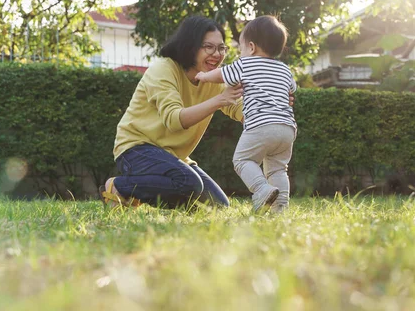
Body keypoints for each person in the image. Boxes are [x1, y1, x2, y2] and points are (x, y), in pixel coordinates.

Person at [99, 15, 244, 209]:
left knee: (218, 205)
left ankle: (152, 194)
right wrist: (219, 100)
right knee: (189, 184)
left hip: (174, 158)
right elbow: (174, 119)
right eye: (208, 47)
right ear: (190, 46)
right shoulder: (164, 69)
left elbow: (239, 108)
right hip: (136, 149)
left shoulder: (214, 79)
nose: (217, 54)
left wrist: (274, 106)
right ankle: (119, 186)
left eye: (221, 48)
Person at [196, 15, 296, 213]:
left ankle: (261, 189)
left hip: (260, 125)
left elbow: (221, 74)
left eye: (241, 49)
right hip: (287, 128)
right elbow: (291, 92)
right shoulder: (285, 70)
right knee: (277, 169)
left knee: (242, 160)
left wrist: (203, 76)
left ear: (251, 47)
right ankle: (280, 208)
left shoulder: (245, 64)